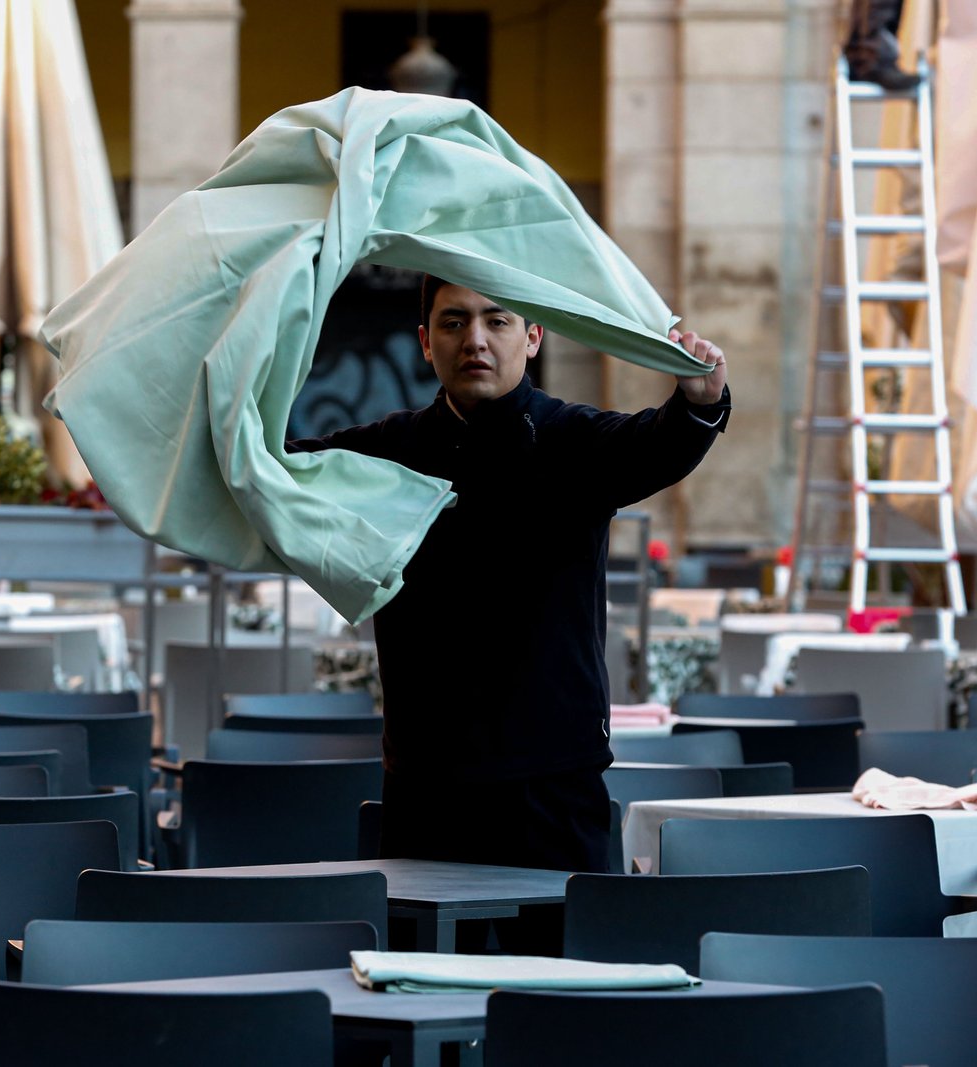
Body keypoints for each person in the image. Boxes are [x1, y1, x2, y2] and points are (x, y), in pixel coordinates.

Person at [289, 277, 729, 877]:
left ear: (533, 337)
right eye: (453, 323)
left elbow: (658, 443)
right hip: (426, 783)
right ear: (425, 341)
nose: (475, 340)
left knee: (557, 942)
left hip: (554, 784)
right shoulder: (389, 449)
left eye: (497, 321)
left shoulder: (572, 438)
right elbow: (278, 474)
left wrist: (700, 403)